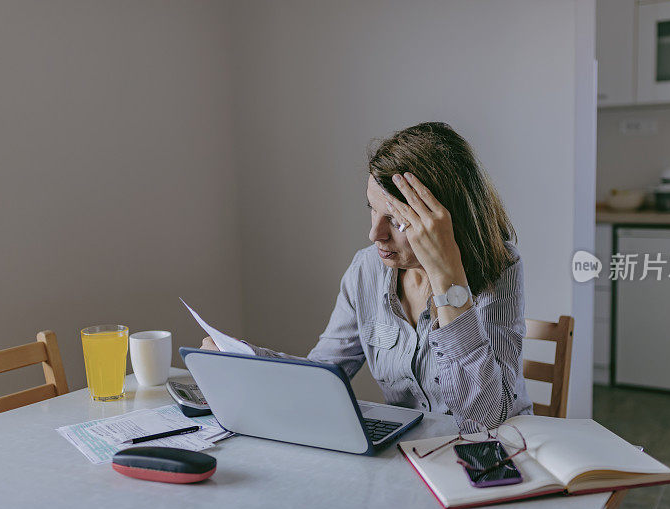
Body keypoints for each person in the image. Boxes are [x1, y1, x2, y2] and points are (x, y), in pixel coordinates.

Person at [202, 122, 532, 429]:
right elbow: (324, 375)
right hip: (411, 454)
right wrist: (243, 357)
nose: (375, 234)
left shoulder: (499, 268)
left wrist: (448, 277)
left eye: (396, 220)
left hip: (493, 451)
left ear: (443, 222)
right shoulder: (367, 269)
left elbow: (485, 417)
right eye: (372, 209)